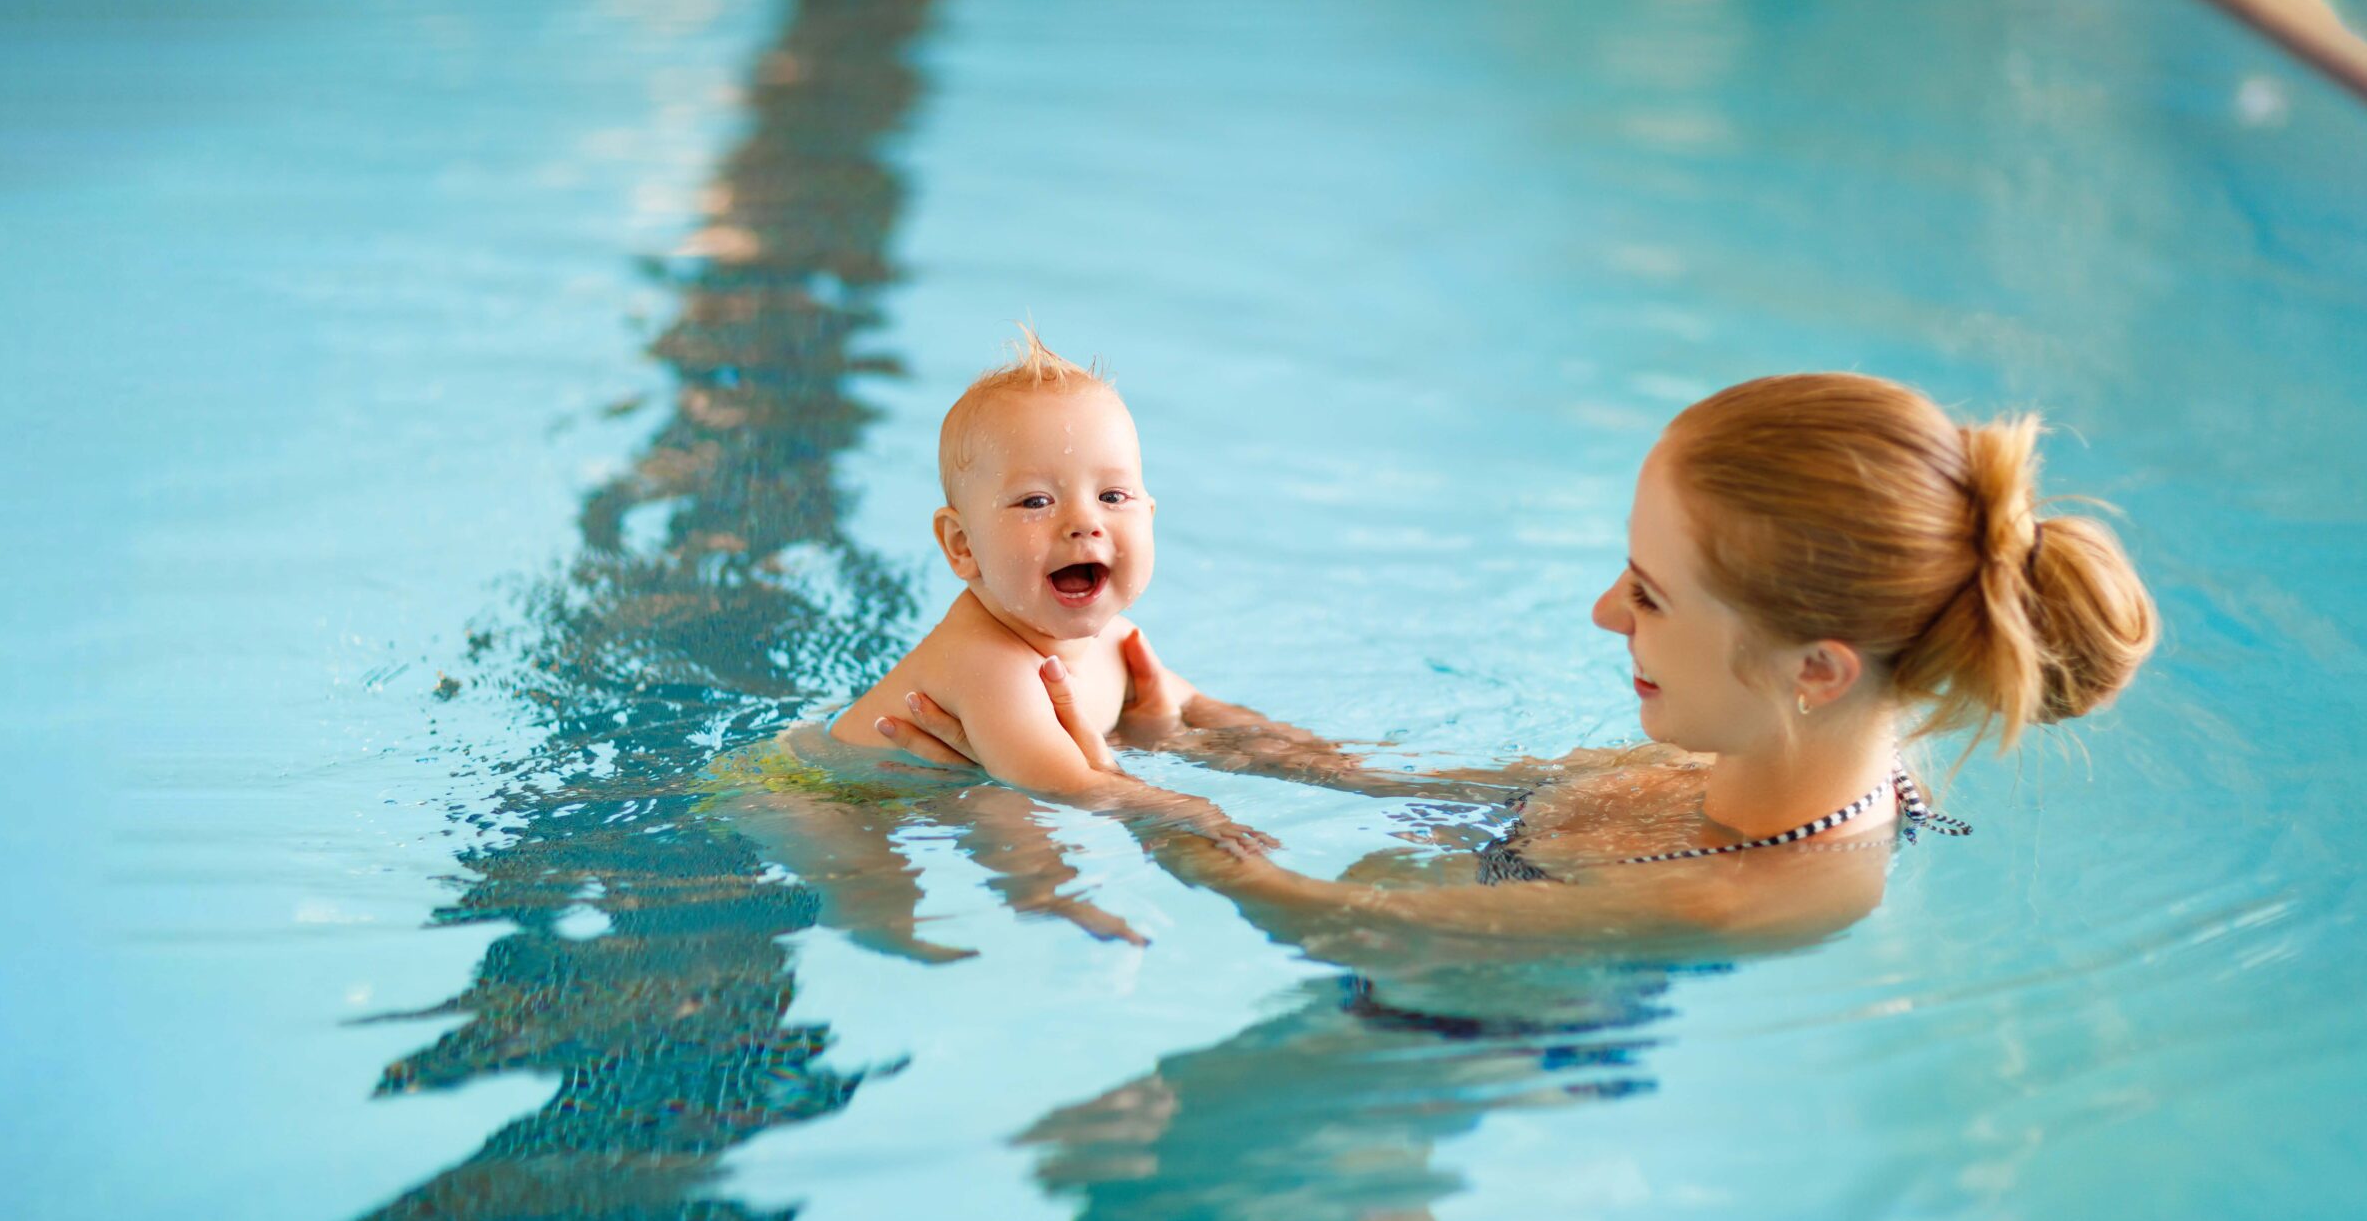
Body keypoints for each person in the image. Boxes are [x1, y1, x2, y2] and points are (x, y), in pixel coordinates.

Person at [879, 372, 2161, 954]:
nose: (1604, 611)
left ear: (1816, 669)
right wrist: (1195, 729)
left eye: (1648, 592)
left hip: (1426, 1054)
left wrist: (1141, 811)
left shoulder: (1746, 893)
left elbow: (1341, 920)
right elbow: (1418, 786)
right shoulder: (1765, 751)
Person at [690, 329, 1265, 959]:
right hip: (807, 793)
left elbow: (1204, 714)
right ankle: (995, 907)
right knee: (875, 878)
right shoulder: (988, 662)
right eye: (1036, 501)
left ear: (1148, 516)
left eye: (1112, 496)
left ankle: (1037, 894)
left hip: (920, 775)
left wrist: (1327, 764)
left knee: (997, 804)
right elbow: (1063, 783)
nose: (1084, 522)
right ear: (962, 546)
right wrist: (1186, 809)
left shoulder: (1116, 638)